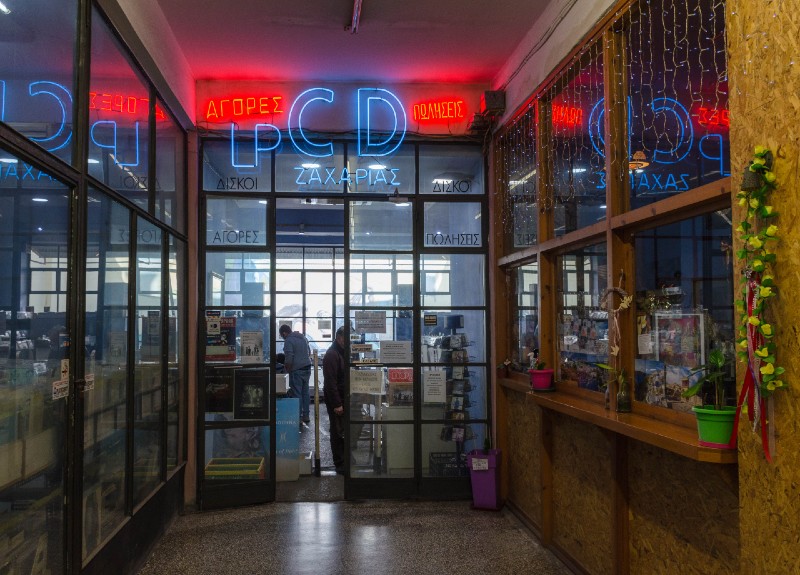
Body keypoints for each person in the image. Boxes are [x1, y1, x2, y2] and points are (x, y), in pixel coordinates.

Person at [323, 326, 346, 474]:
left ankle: (344, 459)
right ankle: (340, 463)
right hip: (337, 399)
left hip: (342, 397)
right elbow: (330, 382)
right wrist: (337, 404)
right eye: (346, 338)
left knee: (342, 430)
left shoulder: (341, 352)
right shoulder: (332, 354)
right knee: (337, 431)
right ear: (339, 338)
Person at [279, 324, 312, 425]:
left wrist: (286, 369)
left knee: (297, 394)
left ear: (284, 333)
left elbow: (289, 357)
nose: (282, 337)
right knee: (305, 392)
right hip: (307, 367)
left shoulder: (289, 340)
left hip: (297, 370)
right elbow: (309, 352)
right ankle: (306, 415)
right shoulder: (303, 338)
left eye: (281, 335)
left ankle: (298, 417)